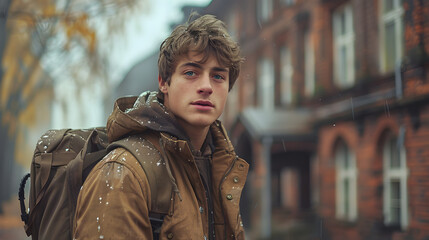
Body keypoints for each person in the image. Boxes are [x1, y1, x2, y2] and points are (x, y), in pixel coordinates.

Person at [73, 13, 249, 240]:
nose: (206, 86)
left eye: (218, 76)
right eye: (191, 73)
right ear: (164, 82)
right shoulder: (123, 173)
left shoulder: (220, 165)